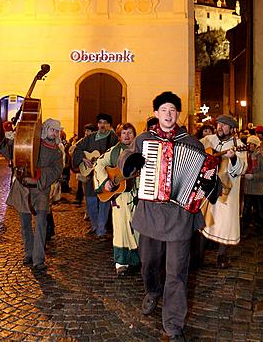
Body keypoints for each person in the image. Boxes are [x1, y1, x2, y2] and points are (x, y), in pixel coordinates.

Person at [119, 91, 209, 341]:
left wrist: (209, 183)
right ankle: (152, 291)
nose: (169, 114)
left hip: (179, 217)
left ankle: (173, 324)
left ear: (177, 114)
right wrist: (132, 162)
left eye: (173, 110)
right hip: (151, 215)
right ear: (156, 114)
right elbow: (126, 166)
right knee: (148, 263)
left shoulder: (192, 143)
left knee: (177, 272)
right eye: (164, 110)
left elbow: (205, 178)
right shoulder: (144, 139)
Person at [6, 118, 63, 271]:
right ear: (46, 129)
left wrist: (39, 174)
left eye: (57, 130)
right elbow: (10, 153)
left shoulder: (57, 152)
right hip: (23, 187)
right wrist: (9, 138)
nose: (55, 133)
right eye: (52, 129)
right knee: (25, 223)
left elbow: (57, 171)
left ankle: (39, 259)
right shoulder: (31, 142)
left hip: (41, 189)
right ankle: (28, 253)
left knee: (41, 224)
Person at [200, 114, 247, 268]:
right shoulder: (209, 139)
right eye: (219, 124)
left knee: (224, 223)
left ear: (232, 129)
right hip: (207, 187)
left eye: (224, 125)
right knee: (202, 220)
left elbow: (241, 168)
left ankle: (222, 256)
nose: (220, 127)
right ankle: (198, 256)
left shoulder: (237, 144)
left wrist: (233, 158)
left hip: (226, 192)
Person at [94, 123, 140, 276]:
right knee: (120, 230)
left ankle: (137, 261)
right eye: (124, 133)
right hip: (119, 198)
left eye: (130, 133)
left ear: (135, 134)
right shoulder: (113, 152)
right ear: (119, 136)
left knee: (139, 230)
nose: (127, 136)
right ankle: (121, 263)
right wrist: (105, 181)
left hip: (138, 196)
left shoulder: (142, 150)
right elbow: (99, 164)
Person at [72, 113, 118, 238]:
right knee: (90, 201)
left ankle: (101, 229)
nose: (102, 125)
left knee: (104, 202)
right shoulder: (90, 138)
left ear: (109, 125)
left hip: (105, 177)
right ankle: (95, 225)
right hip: (90, 176)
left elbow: (116, 155)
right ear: (97, 124)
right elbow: (77, 148)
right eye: (100, 123)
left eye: (105, 123)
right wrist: (83, 158)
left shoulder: (114, 139)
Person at [242, 135, 263, 236]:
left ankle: (259, 229)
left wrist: (253, 176)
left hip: (258, 189)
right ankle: (245, 229)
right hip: (248, 188)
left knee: (259, 211)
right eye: (248, 143)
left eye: (251, 144)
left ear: (256, 145)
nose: (249, 146)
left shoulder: (261, 156)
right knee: (246, 211)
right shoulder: (246, 156)